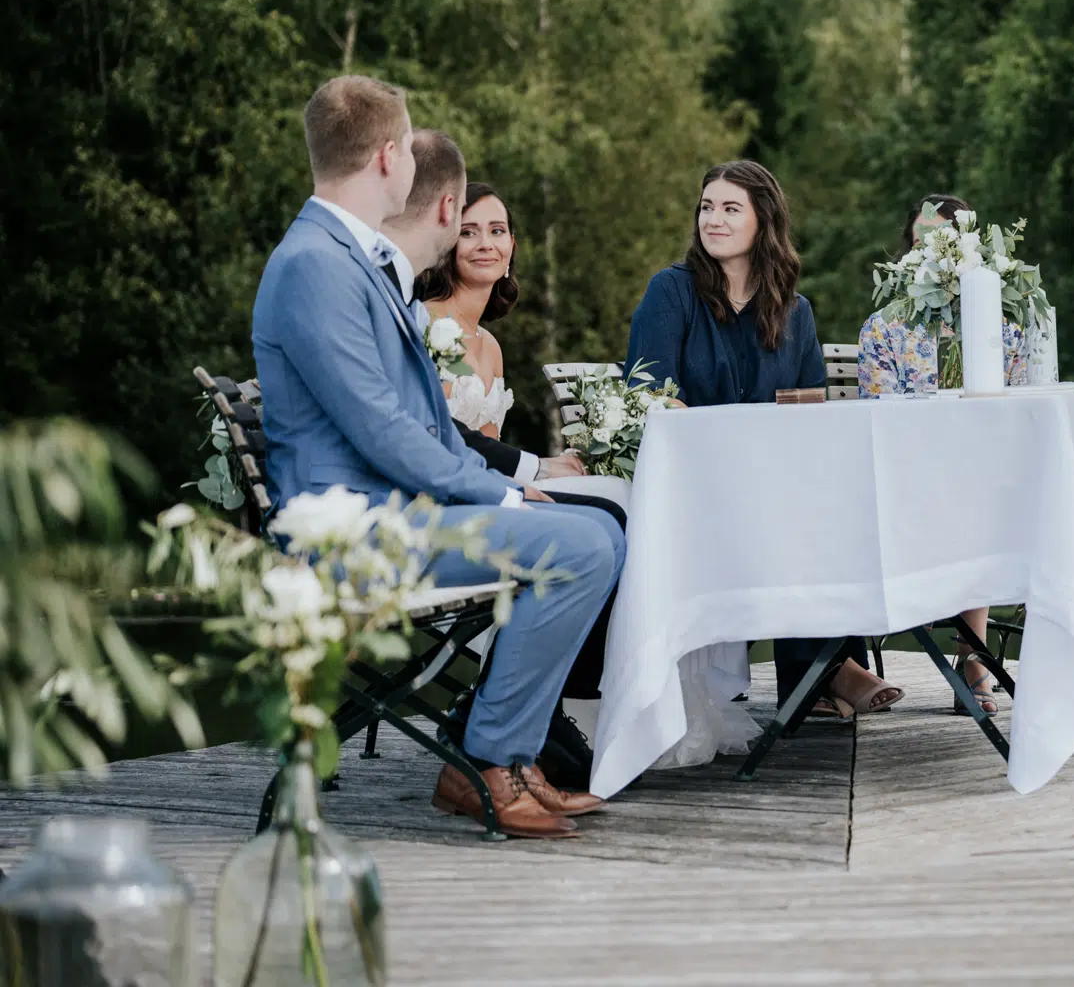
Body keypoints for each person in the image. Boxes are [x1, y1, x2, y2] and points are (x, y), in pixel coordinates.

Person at [252, 75, 623, 837]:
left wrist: (499, 483)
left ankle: (505, 755)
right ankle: (487, 760)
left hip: (392, 514)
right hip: (353, 534)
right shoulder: (315, 264)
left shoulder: (352, 258)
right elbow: (383, 431)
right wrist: (505, 497)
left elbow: (421, 424)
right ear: (390, 158)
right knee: (582, 548)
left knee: (600, 532)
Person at [379, 134, 617, 789]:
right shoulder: (426, 325)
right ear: (446, 243)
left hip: (479, 498)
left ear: (513, 245)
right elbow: (440, 437)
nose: (486, 243)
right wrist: (532, 472)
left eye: (498, 230)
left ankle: (556, 705)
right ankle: (528, 722)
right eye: (470, 231)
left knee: (614, 510)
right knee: (599, 521)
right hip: (438, 512)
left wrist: (539, 471)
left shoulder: (488, 344)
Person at [626, 159, 904, 718]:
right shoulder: (672, 292)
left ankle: (823, 674)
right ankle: (826, 672)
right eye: (707, 207)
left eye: (731, 209)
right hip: (693, 484)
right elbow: (648, 396)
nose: (714, 219)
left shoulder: (795, 312)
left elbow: (812, 410)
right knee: (797, 508)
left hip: (776, 482)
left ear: (764, 221)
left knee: (839, 497)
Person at [856, 194, 1027, 715]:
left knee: (981, 493)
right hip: (903, 478)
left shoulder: (1003, 328)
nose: (929, 252)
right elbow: (879, 420)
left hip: (981, 478)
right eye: (919, 241)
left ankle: (972, 657)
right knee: (965, 497)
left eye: (943, 241)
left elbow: (1018, 411)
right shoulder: (884, 328)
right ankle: (972, 656)